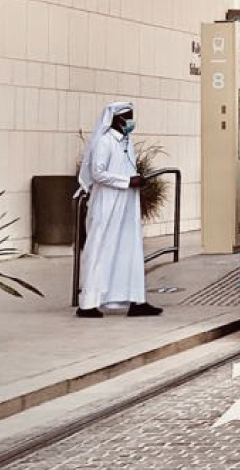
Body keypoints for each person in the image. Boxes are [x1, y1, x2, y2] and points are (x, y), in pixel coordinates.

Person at [75, 101, 163, 318]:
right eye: (128, 116)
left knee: (130, 249)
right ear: (116, 119)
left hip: (127, 203)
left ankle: (136, 300)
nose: (131, 121)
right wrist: (127, 181)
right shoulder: (105, 142)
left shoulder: (126, 141)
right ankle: (88, 303)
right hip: (107, 202)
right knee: (101, 248)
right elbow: (98, 173)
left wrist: (135, 182)